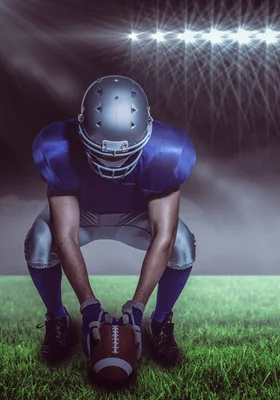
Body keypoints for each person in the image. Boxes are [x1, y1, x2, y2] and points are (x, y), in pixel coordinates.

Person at [24, 75, 196, 367]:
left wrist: (137, 306)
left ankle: (160, 321)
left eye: (124, 154)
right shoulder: (58, 149)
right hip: (84, 213)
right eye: (101, 152)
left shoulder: (167, 153)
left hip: (135, 215)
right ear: (81, 132)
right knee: (40, 241)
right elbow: (65, 236)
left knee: (181, 244)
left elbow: (163, 236)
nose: (113, 163)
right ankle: (57, 319)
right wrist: (89, 304)